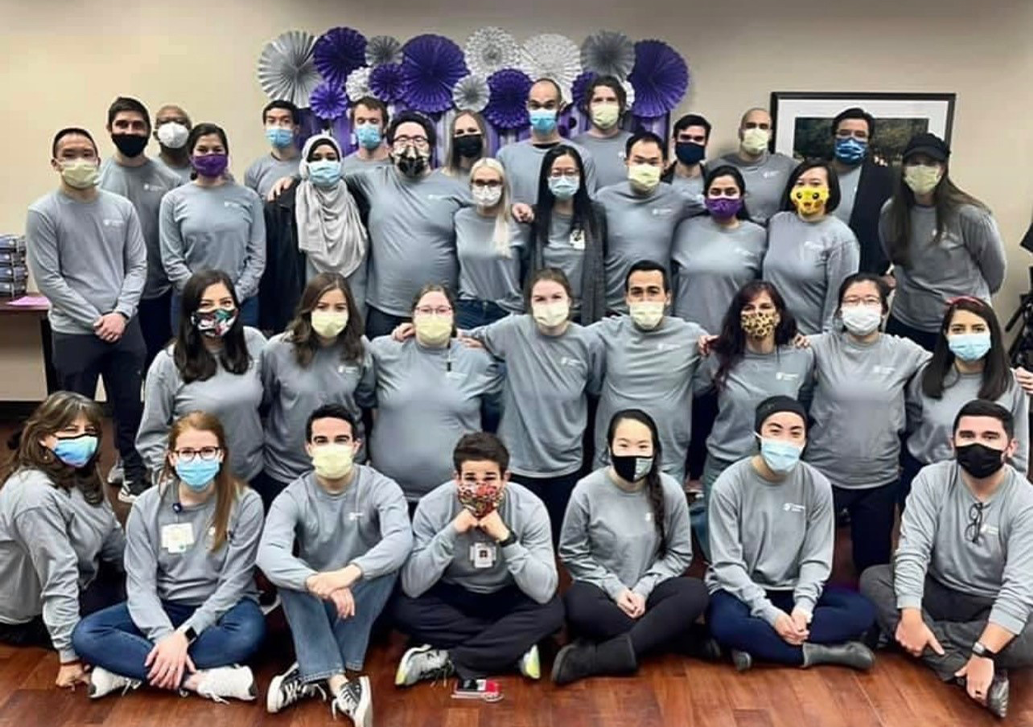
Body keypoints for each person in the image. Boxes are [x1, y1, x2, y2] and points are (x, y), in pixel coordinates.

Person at [72, 411, 265, 703]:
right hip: (164, 606)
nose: (197, 459)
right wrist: (165, 638)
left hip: (224, 608)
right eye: (187, 452)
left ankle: (129, 668)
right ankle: (199, 680)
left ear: (221, 455)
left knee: (248, 635)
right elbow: (139, 586)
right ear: (172, 457)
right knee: (87, 634)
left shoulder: (247, 502)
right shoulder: (147, 505)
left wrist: (183, 637)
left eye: (207, 451)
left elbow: (234, 584)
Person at [860, 400, 1033, 719]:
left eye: (990, 437)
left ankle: (902, 636)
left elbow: (1020, 587)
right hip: (936, 589)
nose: (978, 444)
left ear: (1011, 447)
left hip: (989, 602)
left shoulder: (1025, 501)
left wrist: (985, 649)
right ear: (952, 443)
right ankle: (956, 666)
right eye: (967, 435)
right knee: (874, 578)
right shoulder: (930, 479)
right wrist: (912, 617)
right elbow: (912, 551)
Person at [258, 404, 411, 720]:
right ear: (308, 447)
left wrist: (350, 574)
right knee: (292, 578)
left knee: (387, 564)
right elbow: (269, 553)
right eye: (322, 440)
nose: (331, 448)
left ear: (356, 446)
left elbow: (400, 540)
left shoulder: (381, 487)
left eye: (341, 440)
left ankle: (309, 670)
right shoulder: (293, 495)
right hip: (315, 602)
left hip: (363, 601)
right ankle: (339, 682)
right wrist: (317, 582)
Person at [706, 396, 877, 672]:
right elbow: (726, 564)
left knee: (862, 612)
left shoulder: (817, 485)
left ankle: (757, 645)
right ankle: (822, 653)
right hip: (740, 591)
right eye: (775, 430)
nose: (785, 440)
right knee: (726, 624)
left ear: (805, 440)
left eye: (795, 433)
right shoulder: (730, 483)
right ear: (758, 434)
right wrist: (770, 615)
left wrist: (803, 608)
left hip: (792, 590)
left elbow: (816, 557)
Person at [25, 126, 149, 499]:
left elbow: (138, 266)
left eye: (86, 153)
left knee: (129, 405)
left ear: (98, 158)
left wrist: (121, 314)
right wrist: (96, 319)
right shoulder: (43, 212)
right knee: (75, 414)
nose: (79, 161)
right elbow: (49, 279)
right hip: (75, 331)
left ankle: (132, 470)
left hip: (124, 324)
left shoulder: (121, 208)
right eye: (69, 154)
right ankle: (79, 480)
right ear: (55, 163)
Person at [392, 433, 564, 699]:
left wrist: (506, 538)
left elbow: (543, 590)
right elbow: (413, 585)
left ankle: (449, 658)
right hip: (455, 594)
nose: (480, 489)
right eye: (470, 479)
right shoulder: (432, 506)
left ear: (505, 478)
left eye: (489, 479)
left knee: (552, 612)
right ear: (457, 478)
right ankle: (511, 648)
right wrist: (451, 531)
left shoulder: (530, 508)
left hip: (508, 594)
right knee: (402, 608)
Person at [553, 409, 708, 684]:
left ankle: (598, 657)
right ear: (609, 447)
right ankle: (672, 636)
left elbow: (680, 553)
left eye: (642, 446)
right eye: (623, 445)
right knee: (578, 606)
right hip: (601, 591)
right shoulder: (587, 490)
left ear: (655, 450)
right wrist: (616, 589)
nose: (633, 453)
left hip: (652, 591)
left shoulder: (669, 489)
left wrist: (643, 589)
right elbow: (572, 553)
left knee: (695, 592)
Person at [466, 269, 603, 542]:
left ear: (570, 301)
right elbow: (465, 337)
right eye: (540, 299)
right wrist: (412, 329)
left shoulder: (588, 342)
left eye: (556, 297)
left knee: (558, 543)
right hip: (519, 463)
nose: (549, 305)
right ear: (529, 304)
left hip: (567, 464)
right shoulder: (512, 329)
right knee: (517, 540)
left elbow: (595, 387)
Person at [805, 273, 929, 573]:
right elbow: (771, 350)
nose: (861, 307)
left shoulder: (905, 352)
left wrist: (1010, 375)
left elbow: (953, 369)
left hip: (879, 478)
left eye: (870, 300)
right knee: (805, 560)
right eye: (852, 301)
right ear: (839, 311)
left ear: (884, 310)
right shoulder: (817, 346)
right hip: (822, 475)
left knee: (872, 567)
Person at [0, 393, 125, 689]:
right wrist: (68, 657)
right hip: (32, 613)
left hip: (83, 578)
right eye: (70, 432)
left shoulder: (82, 472)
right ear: (43, 437)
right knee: (133, 620)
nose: (83, 439)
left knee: (155, 596)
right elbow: (58, 576)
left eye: (90, 432)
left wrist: (143, 574)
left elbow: (111, 535)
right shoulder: (34, 495)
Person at [691, 282, 815, 558]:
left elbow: (803, 401)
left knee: (765, 552)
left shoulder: (801, 356)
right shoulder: (719, 356)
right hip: (724, 463)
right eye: (748, 308)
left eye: (765, 307)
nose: (757, 314)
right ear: (738, 316)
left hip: (776, 469)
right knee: (721, 554)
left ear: (779, 314)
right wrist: (700, 348)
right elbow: (693, 391)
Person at [136, 270, 267, 502]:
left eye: (226, 302)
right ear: (190, 312)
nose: (217, 311)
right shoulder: (167, 363)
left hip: (252, 478)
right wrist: (169, 485)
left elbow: (269, 402)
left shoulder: (255, 343)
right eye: (206, 304)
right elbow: (151, 434)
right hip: (196, 485)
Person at [343, 110, 469, 338]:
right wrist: (289, 179)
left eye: (418, 139)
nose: (411, 145)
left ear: (430, 147)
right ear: (389, 148)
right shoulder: (372, 178)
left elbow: (490, 215)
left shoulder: (456, 188)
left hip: (439, 309)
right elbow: (325, 172)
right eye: (402, 139)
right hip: (384, 311)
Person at [370, 285, 501, 503]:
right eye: (425, 310)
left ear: (453, 316)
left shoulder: (478, 360)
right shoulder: (383, 351)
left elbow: (495, 415)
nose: (433, 316)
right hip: (390, 494)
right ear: (412, 316)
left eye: (442, 310)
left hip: (455, 496)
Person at [880, 132, 1006, 351]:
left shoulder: (971, 216)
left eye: (930, 163)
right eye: (914, 162)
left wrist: (967, 301)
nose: (921, 169)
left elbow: (995, 273)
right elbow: (892, 255)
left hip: (958, 325)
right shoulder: (891, 212)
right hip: (906, 321)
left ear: (943, 168)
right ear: (903, 167)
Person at [259, 274, 374, 510]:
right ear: (308, 309)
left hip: (344, 467)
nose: (330, 313)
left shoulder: (360, 348)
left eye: (339, 307)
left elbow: (366, 400)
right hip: (286, 469)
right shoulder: (278, 349)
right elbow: (267, 400)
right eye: (322, 306)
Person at [589, 261, 707, 484]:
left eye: (653, 292)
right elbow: (564, 338)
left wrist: (792, 339)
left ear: (668, 297)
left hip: (667, 462)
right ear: (627, 298)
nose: (645, 299)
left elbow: (720, 365)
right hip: (611, 460)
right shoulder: (605, 332)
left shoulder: (692, 336)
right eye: (637, 292)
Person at [903, 297, 1029, 504]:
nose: (968, 335)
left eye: (978, 329)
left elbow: (1020, 445)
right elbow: (911, 424)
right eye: (959, 329)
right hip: (925, 480)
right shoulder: (926, 375)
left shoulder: (1012, 382)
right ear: (946, 334)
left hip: (988, 484)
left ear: (991, 334)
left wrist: (1014, 495)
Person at [100, 97, 183, 369]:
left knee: (158, 368)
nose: (130, 131)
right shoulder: (98, 179)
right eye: (122, 125)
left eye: (137, 125)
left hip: (157, 293)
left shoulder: (169, 180)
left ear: (149, 131)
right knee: (120, 376)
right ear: (109, 128)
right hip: (111, 295)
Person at [159, 123, 266, 330]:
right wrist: (202, 297)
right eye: (203, 150)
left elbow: (257, 255)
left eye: (217, 150)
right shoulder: (173, 200)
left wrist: (234, 295)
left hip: (241, 301)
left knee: (241, 360)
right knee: (191, 361)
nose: (210, 155)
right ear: (190, 156)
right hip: (191, 302)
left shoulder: (249, 198)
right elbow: (172, 260)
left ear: (227, 154)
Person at [259, 133, 368, 333]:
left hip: (353, 304)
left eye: (330, 157)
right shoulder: (285, 204)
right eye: (316, 158)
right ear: (305, 164)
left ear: (340, 162)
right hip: (302, 309)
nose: (324, 163)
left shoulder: (359, 199)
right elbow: (271, 267)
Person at [595, 130, 703, 313]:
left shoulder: (677, 198)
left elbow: (717, 206)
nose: (645, 167)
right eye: (639, 161)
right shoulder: (603, 198)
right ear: (626, 162)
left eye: (653, 162)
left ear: (664, 165)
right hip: (613, 306)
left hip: (658, 307)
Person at [762, 160, 860, 334]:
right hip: (769, 334)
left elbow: (840, 301)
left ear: (830, 190)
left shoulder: (841, 237)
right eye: (800, 184)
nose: (806, 189)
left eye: (815, 184)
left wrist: (826, 342)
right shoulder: (778, 222)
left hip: (809, 339)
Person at [671, 165, 766, 334]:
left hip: (735, 338)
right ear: (705, 195)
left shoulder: (758, 235)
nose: (722, 197)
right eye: (715, 192)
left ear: (742, 196)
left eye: (730, 192)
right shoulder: (685, 228)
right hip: (685, 336)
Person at [526, 145, 606, 324]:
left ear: (580, 177)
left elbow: (603, 261)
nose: (564, 179)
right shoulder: (534, 217)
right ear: (546, 178)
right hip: (544, 315)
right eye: (556, 173)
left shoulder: (596, 215)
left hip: (584, 315)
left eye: (570, 173)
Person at [497, 78, 598, 204]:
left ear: (561, 107)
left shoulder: (581, 156)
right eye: (535, 105)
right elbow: (499, 206)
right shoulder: (506, 156)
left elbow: (587, 208)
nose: (542, 111)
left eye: (549, 105)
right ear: (527, 107)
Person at [454, 158, 528, 329]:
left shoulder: (518, 222)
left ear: (503, 186)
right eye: (479, 182)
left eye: (493, 183)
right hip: (468, 309)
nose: (486, 189)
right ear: (471, 184)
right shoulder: (460, 218)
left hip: (508, 311)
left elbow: (530, 266)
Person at [827, 107, 894, 276]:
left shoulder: (883, 178)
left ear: (868, 141)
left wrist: (892, 275)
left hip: (863, 272)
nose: (851, 139)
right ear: (833, 137)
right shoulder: (815, 173)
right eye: (844, 133)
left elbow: (902, 230)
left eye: (860, 135)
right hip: (814, 269)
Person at [716, 108, 796, 225]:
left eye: (763, 127)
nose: (756, 131)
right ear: (740, 132)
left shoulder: (787, 165)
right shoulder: (716, 166)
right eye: (750, 126)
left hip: (773, 236)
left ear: (770, 134)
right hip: (732, 236)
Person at [572, 75, 633, 188]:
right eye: (598, 100)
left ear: (621, 105)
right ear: (587, 106)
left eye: (611, 100)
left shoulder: (635, 145)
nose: (604, 105)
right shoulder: (574, 147)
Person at [245, 100, 302, 199]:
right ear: (265, 128)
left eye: (285, 121)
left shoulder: (308, 165)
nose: (278, 126)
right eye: (272, 121)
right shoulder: (254, 170)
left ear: (296, 129)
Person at [662, 113, 711, 200]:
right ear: (674, 141)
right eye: (685, 137)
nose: (691, 142)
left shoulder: (714, 181)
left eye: (698, 139)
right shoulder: (659, 181)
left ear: (706, 143)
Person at [342, 97, 391, 173]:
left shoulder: (397, 164)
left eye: (373, 121)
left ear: (385, 127)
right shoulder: (343, 168)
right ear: (353, 127)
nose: (367, 126)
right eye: (361, 121)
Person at [152, 104, 194, 184]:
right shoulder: (147, 169)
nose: (172, 127)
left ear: (190, 133)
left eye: (180, 122)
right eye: (164, 122)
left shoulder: (202, 168)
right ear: (156, 135)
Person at [442, 111, 489, 181]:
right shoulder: (443, 176)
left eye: (472, 130)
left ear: (483, 136)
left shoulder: (495, 175)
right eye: (459, 132)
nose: (466, 135)